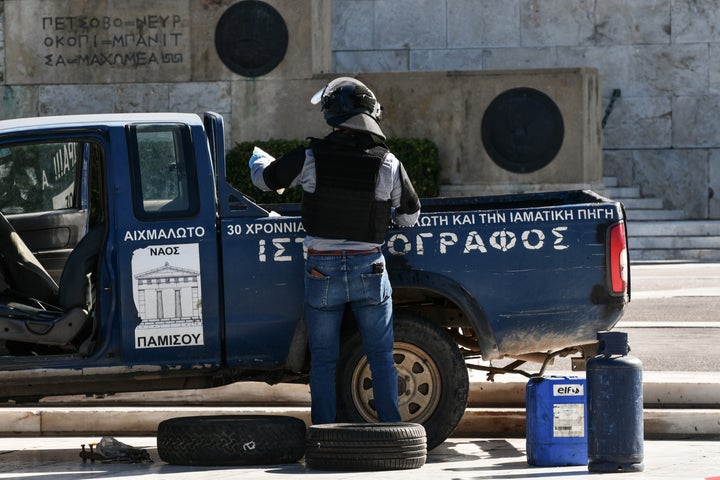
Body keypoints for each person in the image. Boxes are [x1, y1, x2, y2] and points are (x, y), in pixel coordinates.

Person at [248, 77, 421, 425]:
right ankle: (391, 431)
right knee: (381, 357)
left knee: (324, 360)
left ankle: (325, 432)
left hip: (321, 270)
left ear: (332, 114)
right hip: (369, 268)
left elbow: (266, 180)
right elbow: (411, 216)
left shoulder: (310, 157)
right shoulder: (387, 162)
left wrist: (256, 159)